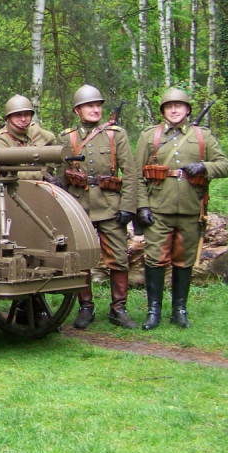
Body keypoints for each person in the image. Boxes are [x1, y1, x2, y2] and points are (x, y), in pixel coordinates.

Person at [134, 87, 228, 330]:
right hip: (158, 210)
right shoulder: (150, 137)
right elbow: (135, 176)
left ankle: (179, 310)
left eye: (179, 106)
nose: (174, 110)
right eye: (169, 106)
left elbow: (225, 165)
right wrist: (142, 206)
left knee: (184, 261)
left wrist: (204, 167)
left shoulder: (202, 137)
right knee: (155, 260)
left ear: (187, 110)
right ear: (163, 111)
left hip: (190, 210)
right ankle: (153, 311)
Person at [58, 85, 139, 329]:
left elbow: (131, 173)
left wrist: (128, 206)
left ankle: (118, 309)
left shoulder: (116, 135)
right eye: (89, 106)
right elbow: (61, 177)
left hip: (110, 205)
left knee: (119, 258)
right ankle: (85, 307)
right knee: (81, 257)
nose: (95, 109)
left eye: (98, 105)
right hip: (79, 206)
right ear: (77, 110)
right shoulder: (67, 138)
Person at [0, 95, 56, 180]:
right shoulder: (0, 139)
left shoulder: (35, 130)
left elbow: (53, 143)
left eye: (27, 115)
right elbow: (1, 171)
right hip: (14, 187)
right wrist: (41, 175)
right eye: (18, 115)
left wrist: (50, 168)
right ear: (8, 118)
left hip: (42, 185)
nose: (23, 119)